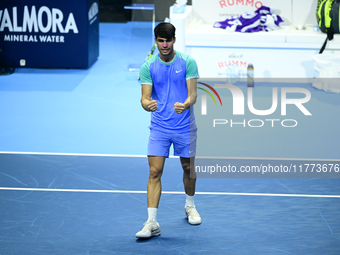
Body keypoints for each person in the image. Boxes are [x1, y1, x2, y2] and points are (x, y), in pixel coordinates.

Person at [136, 22, 201, 239]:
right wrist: (147, 104)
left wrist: (186, 104)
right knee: (154, 172)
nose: (164, 45)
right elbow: (145, 98)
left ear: (174, 40)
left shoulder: (188, 62)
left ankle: (189, 205)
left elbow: (193, 94)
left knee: (187, 168)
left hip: (184, 126)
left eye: (168, 40)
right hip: (160, 127)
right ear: (156, 41)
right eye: (160, 40)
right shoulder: (148, 66)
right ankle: (151, 222)